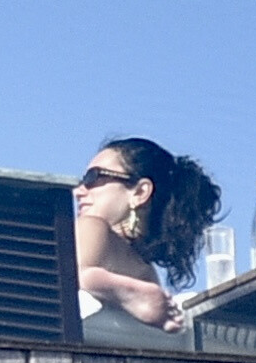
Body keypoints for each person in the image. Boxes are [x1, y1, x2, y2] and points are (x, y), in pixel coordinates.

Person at [74, 137, 222, 333]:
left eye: (93, 177)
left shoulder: (92, 225)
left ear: (139, 192)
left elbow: (71, 274)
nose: (78, 191)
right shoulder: (147, 274)